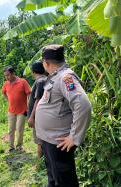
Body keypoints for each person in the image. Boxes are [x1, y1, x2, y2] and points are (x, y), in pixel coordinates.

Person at [35, 44, 92, 187]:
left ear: (46, 63)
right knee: (54, 178)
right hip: (49, 140)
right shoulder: (55, 76)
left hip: (58, 143)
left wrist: (74, 137)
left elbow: (83, 105)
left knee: (65, 181)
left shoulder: (65, 77)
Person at [2, 66, 31, 153]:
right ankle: (11, 147)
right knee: (11, 129)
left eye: (8, 75)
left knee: (19, 129)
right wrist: (8, 100)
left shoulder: (22, 82)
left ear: (13, 73)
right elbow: (3, 92)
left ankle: (19, 146)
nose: (6, 77)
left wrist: (28, 105)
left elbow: (29, 93)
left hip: (22, 111)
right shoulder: (6, 83)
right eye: (5, 76)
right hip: (11, 111)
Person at [27, 61, 47, 159]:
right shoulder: (45, 79)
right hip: (43, 115)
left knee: (39, 141)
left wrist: (31, 117)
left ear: (33, 71)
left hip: (38, 116)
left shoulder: (40, 81)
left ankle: (39, 163)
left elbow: (38, 100)